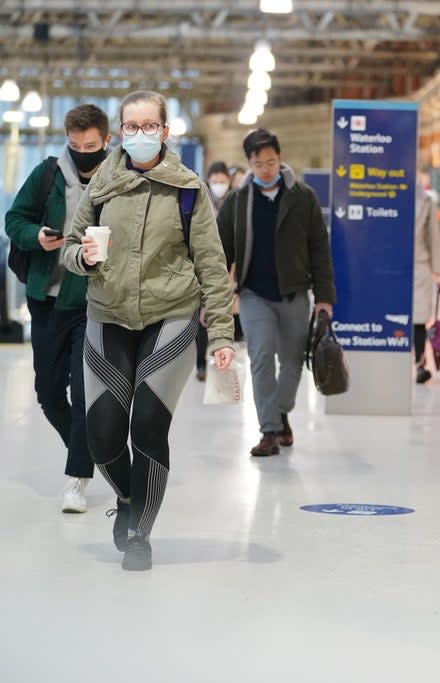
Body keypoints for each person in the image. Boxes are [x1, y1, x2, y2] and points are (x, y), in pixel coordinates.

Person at [60, 90, 236, 571]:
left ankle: (139, 532)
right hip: (108, 315)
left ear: (165, 130)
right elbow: (70, 248)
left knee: (149, 427)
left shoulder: (188, 189)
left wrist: (220, 335)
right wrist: (82, 256)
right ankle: (128, 497)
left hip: (171, 316)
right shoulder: (101, 186)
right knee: (101, 433)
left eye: (149, 126)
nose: (140, 135)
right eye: (131, 127)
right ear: (119, 132)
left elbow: (212, 266)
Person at [4, 103, 111, 514]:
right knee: (48, 393)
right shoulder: (47, 173)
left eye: (90, 144)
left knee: (85, 394)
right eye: (75, 144)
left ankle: (76, 480)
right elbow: (16, 219)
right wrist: (37, 236)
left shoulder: (116, 181)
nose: (82, 151)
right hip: (45, 300)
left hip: (91, 303)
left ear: (106, 141)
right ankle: (90, 453)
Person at [216, 127, 336, 457]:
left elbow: (319, 249)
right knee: (261, 358)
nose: (265, 170)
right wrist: (210, 296)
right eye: (258, 164)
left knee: (294, 361)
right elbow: (220, 251)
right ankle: (269, 429)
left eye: (270, 162)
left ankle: (281, 411)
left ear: (280, 159)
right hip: (254, 294)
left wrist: (324, 298)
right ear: (249, 164)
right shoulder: (238, 202)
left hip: (296, 293)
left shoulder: (302, 196)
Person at [194, 160, 234, 381]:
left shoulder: (233, 201)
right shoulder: (203, 201)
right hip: (204, 266)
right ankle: (201, 365)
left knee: (223, 314)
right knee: (204, 316)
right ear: (209, 180)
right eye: (215, 181)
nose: (219, 184)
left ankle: (224, 361)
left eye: (222, 181)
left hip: (227, 264)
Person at [413, 171, 440, 384]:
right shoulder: (388, 195)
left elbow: (434, 236)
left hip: (419, 267)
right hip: (390, 270)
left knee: (418, 319)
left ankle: (419, 364)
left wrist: (437, 269)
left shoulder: (426, 201)